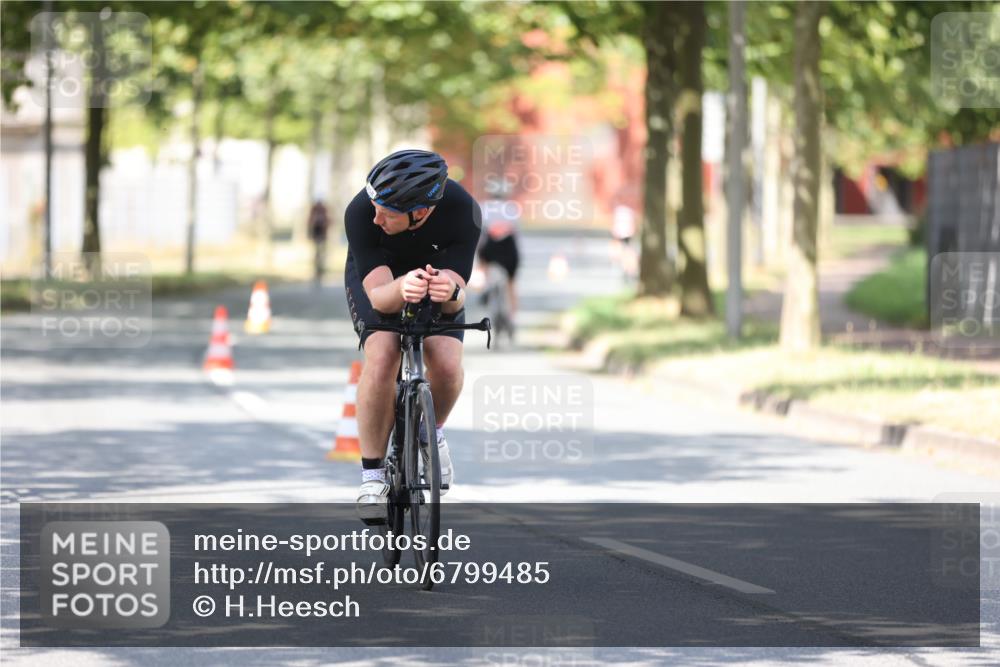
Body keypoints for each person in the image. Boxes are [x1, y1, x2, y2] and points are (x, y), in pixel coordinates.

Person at [345, 149, 480, 523]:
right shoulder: (361, 213)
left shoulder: (462, 211)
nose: (376, 216)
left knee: (448, 364)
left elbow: (455, 299)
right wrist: (403, 284)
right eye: (375, 205)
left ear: (420, 211)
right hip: (382, 281)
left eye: (387, 211)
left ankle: (429, 432)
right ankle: (372, 477)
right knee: (384, 353)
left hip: (435, 276)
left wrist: (450, 292)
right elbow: (379, 298)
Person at [476, 180, 521, 319]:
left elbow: (480, 232)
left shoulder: (483, 207)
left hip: (490, 246)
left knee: (483, 265)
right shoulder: (513, 208)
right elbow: (516, 233)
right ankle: (513, 317)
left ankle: (485, 287)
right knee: (511, 282)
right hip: (508, 247)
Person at [307, 200, 330, 285]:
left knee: (321, 253)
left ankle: (320, 270)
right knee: (317, 253)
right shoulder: (314, 210)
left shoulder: (323, 210)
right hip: (317, 235)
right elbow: (310, 222)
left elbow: (327, 222)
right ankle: (317, 270)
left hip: (322, 236)